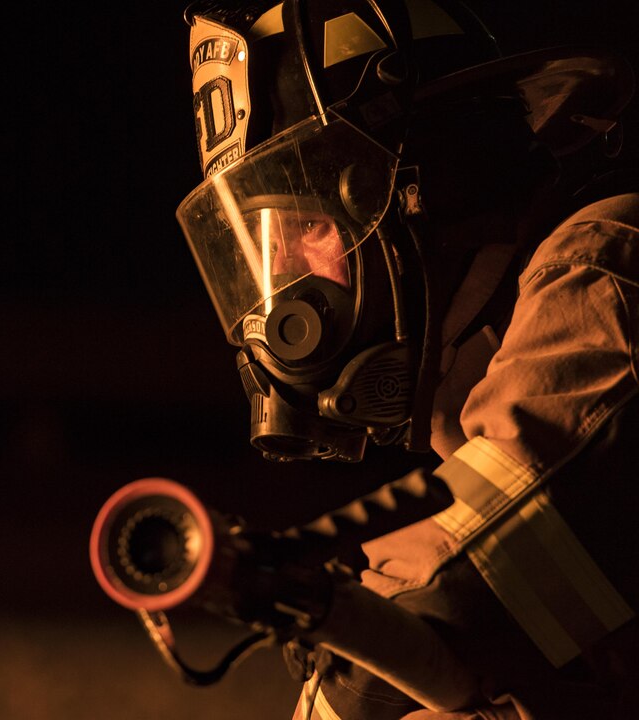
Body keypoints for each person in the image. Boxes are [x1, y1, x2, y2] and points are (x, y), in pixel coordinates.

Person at [173, 0, 639, 717]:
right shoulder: (488, 359)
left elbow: (466, 590)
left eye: (305, 225)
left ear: (437, 188)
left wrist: (342, 662)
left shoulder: (607, 268)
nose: (283, 279)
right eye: (263, 242)